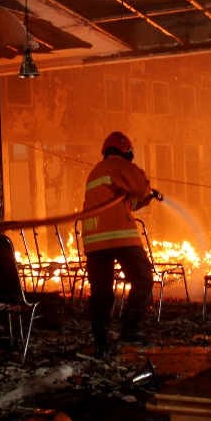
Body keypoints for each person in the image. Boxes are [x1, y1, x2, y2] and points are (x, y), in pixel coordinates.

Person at [80, 131, 161, 359]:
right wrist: (146, 188)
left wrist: (145, 198)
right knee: (143, 278)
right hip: (119, 236)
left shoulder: (96, 172)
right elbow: (137, 184)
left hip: (94, 240)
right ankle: (129, 329)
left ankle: (101, 344)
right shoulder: (118, 165)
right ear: (126, 152)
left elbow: (126, 201)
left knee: (102, 293)